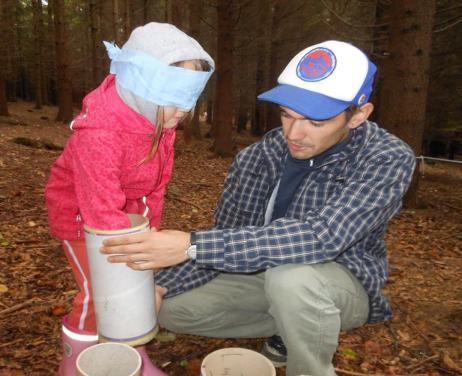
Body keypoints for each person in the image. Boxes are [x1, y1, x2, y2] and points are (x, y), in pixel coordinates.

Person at [101, 40, 416, 376]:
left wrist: (190, 245)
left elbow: (322, 237)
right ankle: (292, 322)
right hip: (262, 275)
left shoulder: (386, 158)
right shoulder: (259, 157)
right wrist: (162, 286)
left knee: (290, 279)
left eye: (316, 122)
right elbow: (228, 234)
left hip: (341, 281)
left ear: (358, 116)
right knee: (169, 310)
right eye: (287, 115)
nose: (294, 133)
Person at [45, 22, 214, 376]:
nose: (183, 113)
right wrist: (124, 258)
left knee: (135, 284)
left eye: (189, 103)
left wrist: (150, 233)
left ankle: (131, 354)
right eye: (174, 102)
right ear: (142, 89)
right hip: (82, 218)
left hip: (126, 212)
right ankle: (74, 360)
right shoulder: (102, 134)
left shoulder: (158, 121)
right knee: (98, 293)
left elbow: (157, 182)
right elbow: (99, 205)